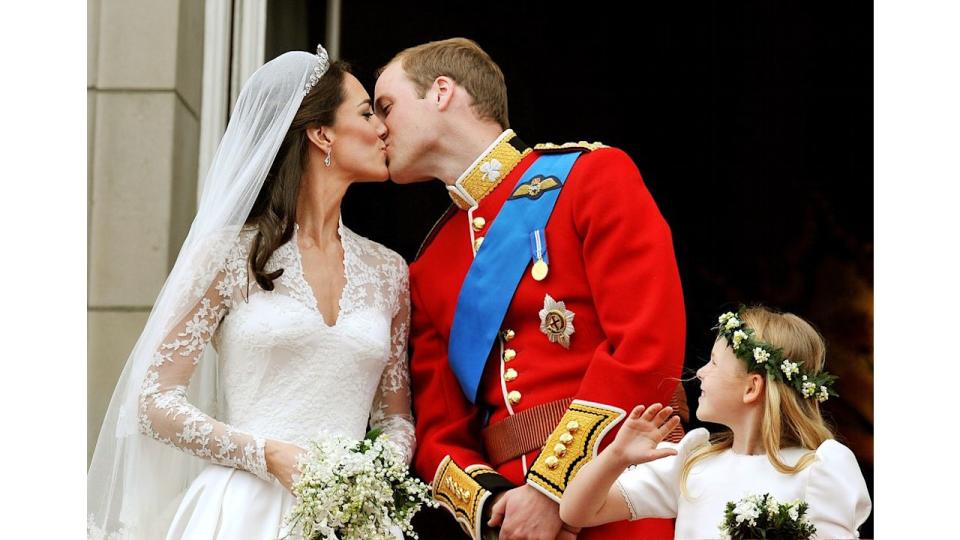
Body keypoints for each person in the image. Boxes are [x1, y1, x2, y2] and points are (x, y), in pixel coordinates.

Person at [87, 45, 415, 539]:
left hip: (353, 522)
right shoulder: (227, 256)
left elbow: (396, 420)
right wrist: (267, 454)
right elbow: (153, 401)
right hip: (242, 514)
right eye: (367, 113)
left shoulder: (389, 271)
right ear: (321, 133)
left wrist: (365, 476)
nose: (383, 128)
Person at [374, 38, 686, 540]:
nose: (378, 128)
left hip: (624, 496)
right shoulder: (429, 267)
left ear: (441, 92)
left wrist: (550, 489)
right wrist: (498, 510)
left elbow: (647, 350)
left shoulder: (591, 178)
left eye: (386, 106)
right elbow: (438, 433)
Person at [558, 306, 872, 539]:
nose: (700, 373)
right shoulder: (692, 461)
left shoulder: (817, 470)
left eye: (714, 363)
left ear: (752, 388)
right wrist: (616, 457)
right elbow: (577, 511)